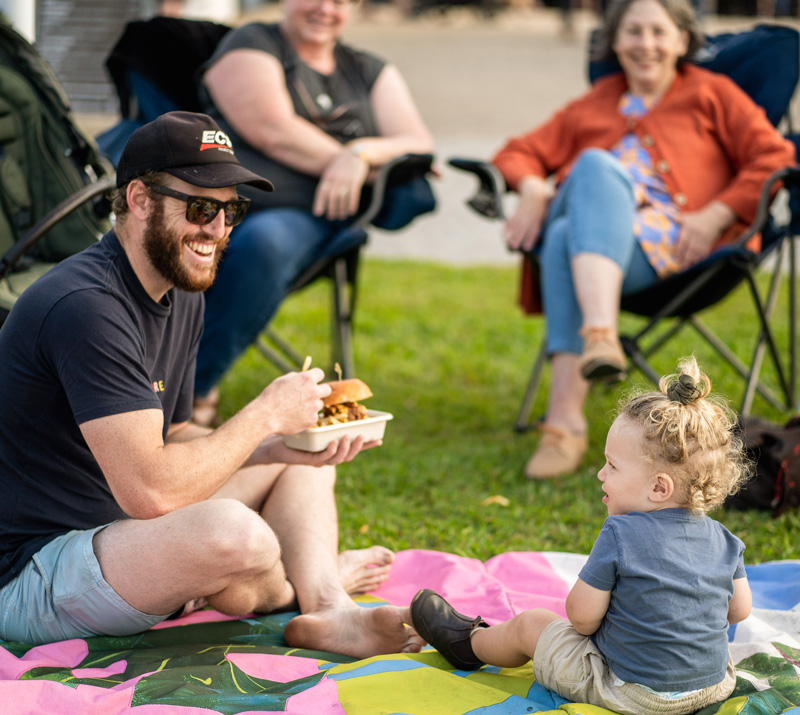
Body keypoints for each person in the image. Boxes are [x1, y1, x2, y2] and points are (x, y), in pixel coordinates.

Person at [0, 111, 422, 659]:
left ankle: (328, 608)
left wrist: (278, 444)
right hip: (31, 570)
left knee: (302, 456)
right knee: (234, 536)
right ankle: (285, 586)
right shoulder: (87, 306)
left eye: (232, 211)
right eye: (200, 208)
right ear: (139, 200)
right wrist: (263, 415)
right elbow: (152, 492)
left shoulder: (182, 292)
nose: (218, 230)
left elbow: (173, 438)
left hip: (119, 529)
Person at [491, 0, 796, 479]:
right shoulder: (595, 103)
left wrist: (716, 214)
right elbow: (518, 151)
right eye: (633, 32)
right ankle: (599, 337)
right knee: (589, 180)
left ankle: (566, 421)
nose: (646, 44)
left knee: (565, 228)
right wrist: (530, 185)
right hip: (610, 251)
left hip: (681, 250)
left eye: (659, 31)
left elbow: (774, 156)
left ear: (682, 41)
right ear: (614, 42)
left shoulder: (712, 93)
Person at [410, 356, 752, 715]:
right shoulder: (725, 539)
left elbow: (582, 619)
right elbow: (739, 611)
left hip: (633, 693)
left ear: (659, 486)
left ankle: (469, 644)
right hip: (712, 686)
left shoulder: (620, 533)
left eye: (613, 466)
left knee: (532, 624)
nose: (601, 475)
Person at [192, 0, 435, 425]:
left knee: (265, 245)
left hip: (319, 215)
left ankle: (192, 387)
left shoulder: (367, 69)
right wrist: (347, 161)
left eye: (340, 1)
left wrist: (361, 155)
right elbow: (272, 131)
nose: (326, 8)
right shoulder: (252, 43)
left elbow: (418, 144)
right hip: (241, 201)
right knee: (243, 241)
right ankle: (175, 386)